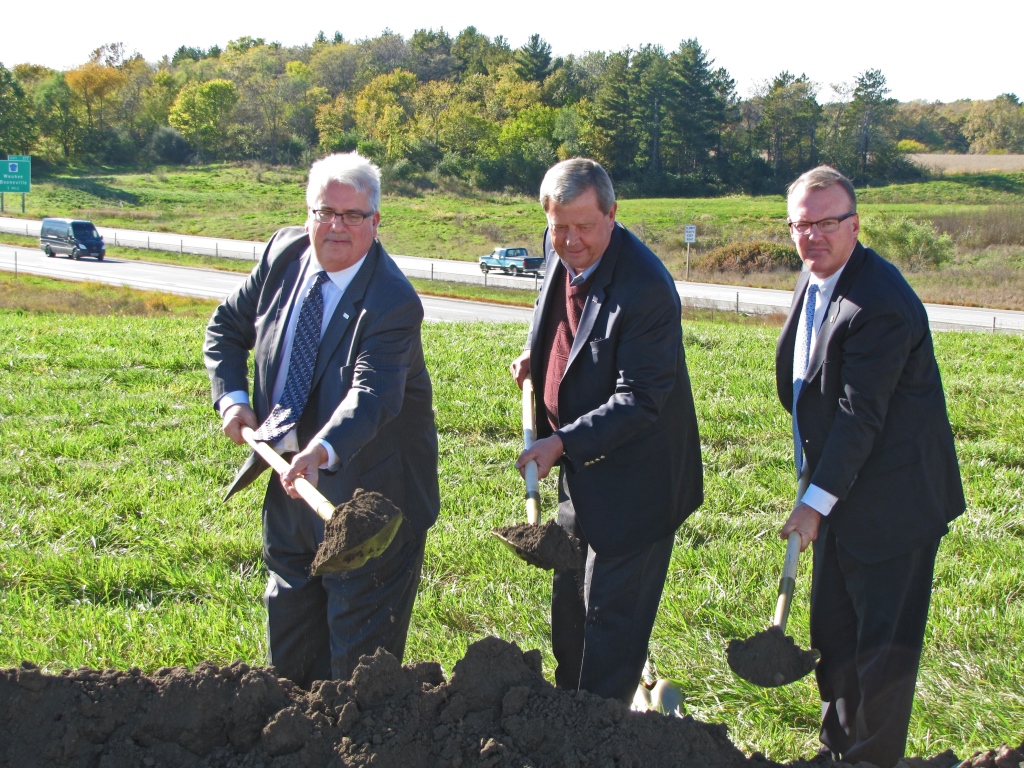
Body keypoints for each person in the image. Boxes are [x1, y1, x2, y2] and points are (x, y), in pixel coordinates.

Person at [204, 151, 440, 689]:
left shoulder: (392, 302)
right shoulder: (284, 253)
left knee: (356, 670)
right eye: (325, 212)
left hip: (369, 502)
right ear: (308, 213)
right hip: (287, 481)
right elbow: (225, 328)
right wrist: (232, 398)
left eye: (353, 215)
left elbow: (373, 394)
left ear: (376, 222)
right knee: (290, 642)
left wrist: (322, 450)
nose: (337, 226)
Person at [777, 166, 965, 767]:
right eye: (801, 225)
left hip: (895, 505)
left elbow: (862, 417)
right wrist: (819, 492)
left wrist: (813, 501)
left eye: (827, 223)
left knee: (883, 654)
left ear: (855, 225)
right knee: (834, 638)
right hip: (840, 496)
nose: (813, 236)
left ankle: (873, 758)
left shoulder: (878, 302)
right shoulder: (816, 281)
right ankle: (838, 753)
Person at [510, 158, 703, 704]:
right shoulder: (563, 250)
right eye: (558, 226)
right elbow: (554, 306)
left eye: (584, 227)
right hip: (581, 472)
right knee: (571, 609)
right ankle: (569, 711)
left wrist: (562, 442)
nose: (569, 241)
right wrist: (536, 351)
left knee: (611, 620)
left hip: (638, 483)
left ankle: (604, 729)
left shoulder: (645, 288)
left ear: (613, 214)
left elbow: (640, 400)